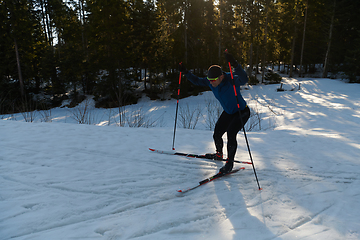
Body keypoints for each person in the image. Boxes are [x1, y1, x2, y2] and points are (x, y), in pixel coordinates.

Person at [178, 50, 250, 174]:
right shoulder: (210, 81)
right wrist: (185, 72)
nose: (211, 82)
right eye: (209, 80)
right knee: (217, 133)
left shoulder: (231, 80)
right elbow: (196, 80)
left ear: (221, 76)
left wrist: (234, 63)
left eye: (213, 80)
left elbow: (244, 78)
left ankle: (229, 164)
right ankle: (219, 154)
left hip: (241, 112)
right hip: (228, 112)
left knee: (231, 133)